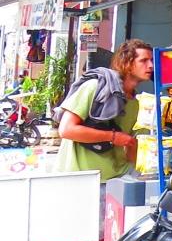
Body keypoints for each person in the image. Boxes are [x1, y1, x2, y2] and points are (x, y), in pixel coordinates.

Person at [53, 39, 153, 181]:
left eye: (151, 60)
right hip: (79, 178)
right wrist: (112, 137)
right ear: (127, 64)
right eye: (144, 61)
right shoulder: (95, 87)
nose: (151, 65)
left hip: (115, 179)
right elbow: (66, 130)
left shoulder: (136, 104)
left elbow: (131, 151)